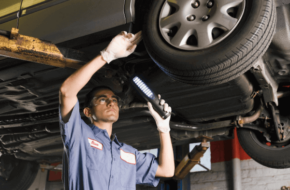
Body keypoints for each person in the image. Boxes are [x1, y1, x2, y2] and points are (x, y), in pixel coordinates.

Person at [59, 31, 175, 190]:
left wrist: (164, 128)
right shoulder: (79, 136)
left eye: (114, 99)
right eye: (102, 99)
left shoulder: (128, 153)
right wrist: (106, 56)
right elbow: (67, 92)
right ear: (87, 112)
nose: (110, 102)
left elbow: (167, 170)